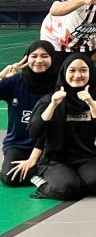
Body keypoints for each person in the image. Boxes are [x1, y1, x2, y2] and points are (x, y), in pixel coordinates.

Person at [25, 55, 96, 200]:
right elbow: (34, 132)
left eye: (83, 70)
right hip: (56, 159)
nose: (77, 75)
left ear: (91, 73)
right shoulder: (49, 100)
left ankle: (74, 179)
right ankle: (41, 182)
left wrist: (92, 105)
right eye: (72, 70)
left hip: (86, 157)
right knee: (67, 189)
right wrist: (53, 105)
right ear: (64, 73)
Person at [0, 42, 58, 187]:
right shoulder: (15, 81)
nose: (39, 60)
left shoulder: (59, 84)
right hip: (17, 144)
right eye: (34, 56)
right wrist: (1, 76)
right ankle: (42, 175)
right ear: (26, 58)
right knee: (9, 177)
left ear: (52, 58)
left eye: (45, 56)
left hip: (48, 145)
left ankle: (49, 172)